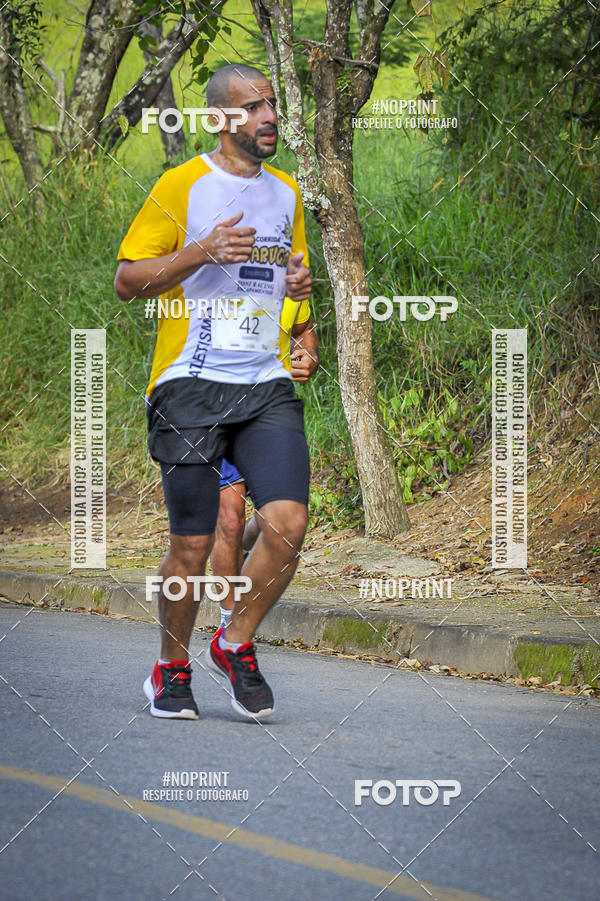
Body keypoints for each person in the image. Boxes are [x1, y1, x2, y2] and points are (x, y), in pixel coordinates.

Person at [114, 63, 313, 721]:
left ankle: (234, 641)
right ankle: (171, 667)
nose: (269, 117)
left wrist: (304, 327)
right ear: (222, 118)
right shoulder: (183, 185)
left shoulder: (286, 193)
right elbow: (128, 280)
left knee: (287, 523)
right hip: (190, 384)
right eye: (254, 106)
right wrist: (200, 251)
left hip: (263, 381)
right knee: (193, 545)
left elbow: (287, 273)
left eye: (273, 104)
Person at [213, 313, 319, 631]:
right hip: (211, 406)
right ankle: (228, 625)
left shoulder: (281, 268)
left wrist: (308, 354)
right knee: (230, 518)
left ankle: (247, 548)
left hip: (268, 409)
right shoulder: (199, 269)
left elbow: (304, 331)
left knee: (276, 520)